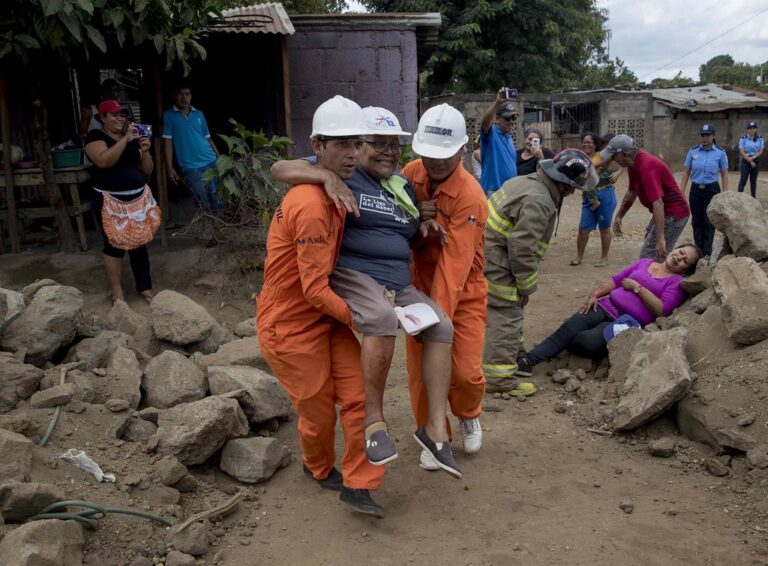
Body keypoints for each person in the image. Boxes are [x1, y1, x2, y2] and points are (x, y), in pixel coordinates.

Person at [269, 103, 460, 479]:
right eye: (377, 143)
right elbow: (278, 168)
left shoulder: (401, 187)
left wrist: (422, 228)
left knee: (442, 327)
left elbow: (403, 235)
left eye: (394, 145)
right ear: (358, 147)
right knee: (379, 318)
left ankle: (435, 428)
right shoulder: (344, 170)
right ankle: (374, 420)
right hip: (356, 275)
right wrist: (324, 177)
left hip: (398, 282)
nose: (388, 152)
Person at [257, 96, 387, 518]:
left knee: (358, 395)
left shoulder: (338, 180)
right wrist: (367, 321)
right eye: (341, 144)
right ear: (317, 145)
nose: (351, 153)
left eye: (356, 143)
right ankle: (316, 465)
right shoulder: (311, 205)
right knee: (316, 408)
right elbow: (313, 290)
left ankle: (360, 483)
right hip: (290, 323)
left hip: (327, 317)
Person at [401, 104, 489, 461]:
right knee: (421, 373)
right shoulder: (410, 174)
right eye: (429, 153)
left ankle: (468, 413)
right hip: (418, 287)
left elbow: (455, 267)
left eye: (445, 154)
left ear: (462, 150)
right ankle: (434, 436)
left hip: (463, 291)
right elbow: (394, 222)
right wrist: (413, 215)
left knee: (465, 372)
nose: (435, 162)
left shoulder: (470, 196)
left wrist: (432, 322)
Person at [482, 149, 598, 392]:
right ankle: (499, 380)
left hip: (488, 254)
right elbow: (522, 248)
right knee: (506, 315)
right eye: (573, 188)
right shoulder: (540, 200)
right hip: (499, 262)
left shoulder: (524, 181)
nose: (573, 192)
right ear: (563, 184)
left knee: (507, 312)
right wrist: (526, 287)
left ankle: (514, 356)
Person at [516, 244, 701, 373]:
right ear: (674, 248)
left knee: (585, 341)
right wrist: (594, 295)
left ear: (685, 270)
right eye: (680, 252)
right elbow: (615, 280)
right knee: (569, 327)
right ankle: (527, 361)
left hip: (628, 322)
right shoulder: (644, 262)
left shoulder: (676, 282)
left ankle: (563, 347)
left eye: (685, 261)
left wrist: (637, 288)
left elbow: (661, 310)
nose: (679, 258)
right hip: (606, 305)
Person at [84, 100, 155, 304]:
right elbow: (103, 161)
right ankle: (117, 292)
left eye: (122, 115)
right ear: (103, 117)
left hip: (136, 198)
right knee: (114, 244)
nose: (119, 118)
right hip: (109, 200)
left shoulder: (131, 138)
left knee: (139, 243)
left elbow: (147, 170)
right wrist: (125, 139)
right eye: (114, 114)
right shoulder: (95, 136)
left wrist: (145, 150)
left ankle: (145, 287)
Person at [604, 134, 690, 260]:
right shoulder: (632, 164)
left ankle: (662, 271)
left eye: (613, 156)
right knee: (651, 247)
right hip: (665, 212)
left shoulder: (646, 167)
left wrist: (660, 238)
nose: (612, 159)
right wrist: (619, 215)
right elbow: (632, 191)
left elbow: (658, 203)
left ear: (623, 154)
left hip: (674, 213)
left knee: (650, 256)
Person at [162, 84, 222, 212]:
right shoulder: (168, 115)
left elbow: (208, 138)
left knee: (217, 198)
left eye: (187, 94)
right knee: (202, 200)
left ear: (191, 96)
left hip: (211, 161)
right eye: (180, 94)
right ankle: (207, 223)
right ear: (174, 96)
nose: (184, 98)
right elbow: (168, 142)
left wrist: (219, 158)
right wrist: (169, 168)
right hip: (191, 167)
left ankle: (218, 223)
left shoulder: (199, 114)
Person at [571, 132, 621, 267]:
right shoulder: (579, 158)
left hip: (605, 194)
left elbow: (622, 162)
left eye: (589, 142)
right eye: (584, 142)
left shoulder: (602, 156)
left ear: (595, 145)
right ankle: (579, 257)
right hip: (588, 196)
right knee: (583, 229)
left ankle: (604, 258)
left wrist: (618, 172)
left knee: (604, 228)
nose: (586, 144)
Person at [679, 123, 728, 258]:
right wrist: (681, 192)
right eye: (702, 135)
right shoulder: (693, 151)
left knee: (709, 221)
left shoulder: (720, 153)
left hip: (712, 189)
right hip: (696, 190)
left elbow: (724, 174)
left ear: (713, 136)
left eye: (707, 135)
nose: (705, 138)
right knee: (697, 221)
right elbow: (686, 172)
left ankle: (707, 252)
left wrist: (725, 194)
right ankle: (698, 251)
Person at [479, 91, 518, 195]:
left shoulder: (509, 137)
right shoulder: (491, 133)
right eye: (507, 118)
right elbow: (485, 123)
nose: (511, 121)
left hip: (509, 190)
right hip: (493, 191)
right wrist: (497, 103)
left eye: (513, 118)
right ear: (497, 118)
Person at [737, 121, 764, 198]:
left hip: (756, 160)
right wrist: (749, 160)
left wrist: (753, 158)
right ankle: (739, 197)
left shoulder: (760, 138)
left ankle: (753, 198)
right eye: (750, 128)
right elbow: (741, 151)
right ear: (747, 130)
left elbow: (761, 150)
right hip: (745, 161)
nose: (752, 130)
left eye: (753, 128)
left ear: (756, 129)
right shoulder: (743, 138)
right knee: (743, 180)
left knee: (753, 181)